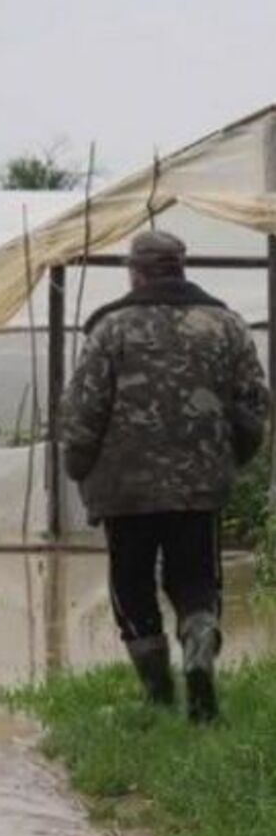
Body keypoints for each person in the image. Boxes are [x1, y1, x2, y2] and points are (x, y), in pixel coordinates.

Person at [60, 229, 269, 724]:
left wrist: (78, 465)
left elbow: (83, 410)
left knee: (130, 582)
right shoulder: (225, 326)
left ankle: (157, 694)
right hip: (199, 486)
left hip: (124, 488)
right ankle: (198, 658)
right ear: (181, 267)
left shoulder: (110, 329)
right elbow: (255, 406)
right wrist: (230, 459)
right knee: (196, 578)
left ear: (135, 271)